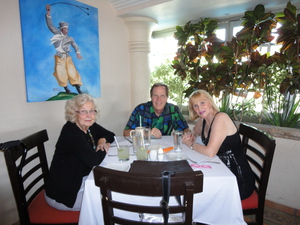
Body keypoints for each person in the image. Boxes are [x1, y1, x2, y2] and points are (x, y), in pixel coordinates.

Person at [45, 94, 115, 211]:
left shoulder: (89, 126)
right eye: (83, 111)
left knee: (111, 186)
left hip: (77, 179)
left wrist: (102, 140)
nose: (89, 115)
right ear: (74, 113)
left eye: (92, 111)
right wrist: (103, 147)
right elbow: (94, 160)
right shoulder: (71, 133)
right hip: (64, 194)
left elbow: (110, 135)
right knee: (109, 198)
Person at [183, 90, 255, 200]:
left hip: (237, 179)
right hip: (221, 169)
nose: (199, 108)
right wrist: (192, 135)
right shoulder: (204, 119)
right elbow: (195, 131)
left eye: (202, 103)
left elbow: (210, 152)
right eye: (195, 106)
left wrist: (191, 144)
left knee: (198, 192)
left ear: (210, 101)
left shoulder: (221, 118)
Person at [123, 83, 190, 138]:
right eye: (155, 95)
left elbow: (185, 129)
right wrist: (146, 133)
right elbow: (126, 132)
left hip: (165, 148)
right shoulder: (140, 109)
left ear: (167, 98)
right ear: (151, 96)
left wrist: (188, 134)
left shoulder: (173, 110)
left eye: (162, 96)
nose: (159, 99)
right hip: (144, 147)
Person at [45, 4, 83, 94]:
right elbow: (50, 25)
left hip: (67, 56)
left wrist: (78, 52)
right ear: (61, 29)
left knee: (72, 71)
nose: (66, 30)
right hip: (59, 56)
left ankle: (78, 88)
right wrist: (48, 13)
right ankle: (66, 88)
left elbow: (75, 45)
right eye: (65, 29)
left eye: (67, 29)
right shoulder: (57, 33)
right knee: (60, 72)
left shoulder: (70, 38)